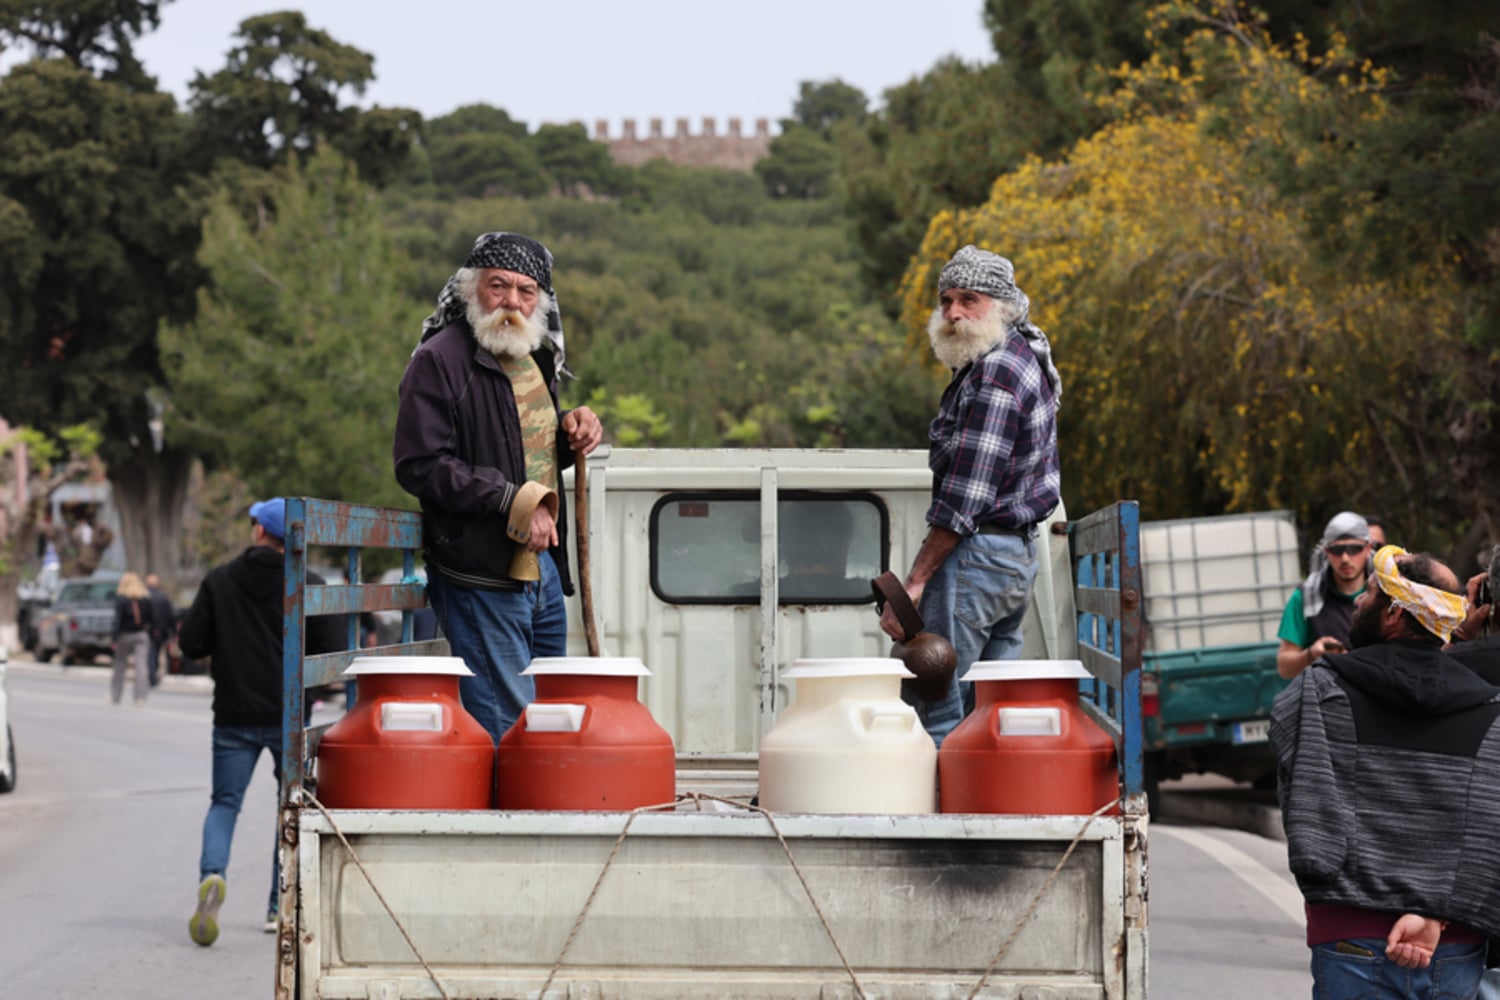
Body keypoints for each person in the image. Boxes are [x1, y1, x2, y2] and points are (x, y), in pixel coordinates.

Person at [394, 231, 604, 743]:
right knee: (508, 727)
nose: (512, 301)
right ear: (470, 290)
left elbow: (526, 452)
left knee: (546, 721)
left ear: (541, 301)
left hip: (543, 576)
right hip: (480, 575)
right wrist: (513, 500)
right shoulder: (440, 360)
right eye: (498, 286)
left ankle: (539, 817)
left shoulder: (533, 358)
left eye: (527, 291)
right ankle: (509, 820)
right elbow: (420, 464)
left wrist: (573, 430)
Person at [1270, 544, 1500, 997]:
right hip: (1451, 942)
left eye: (1371, 592)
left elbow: (1289, 760)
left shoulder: (1319, 692)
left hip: (1350, 931)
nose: (1358, 600)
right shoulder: (1490, 710)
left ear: (1393, 614)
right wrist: (1439, 912)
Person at [878, 244, 1062, 745]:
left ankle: (941, 818)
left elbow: (965, 496)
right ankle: (983, 812)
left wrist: (915, 582)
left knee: (934, 703)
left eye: (969, 300)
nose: (954, 313)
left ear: (1002, 305)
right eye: (946, 300)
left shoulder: (996, 373)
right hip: (1015, 560)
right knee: (989, 709)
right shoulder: (1017, 358)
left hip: (980, 558)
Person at [177, 497, 343, 946]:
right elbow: (332, 650)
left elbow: (191, 644)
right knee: (287, 808)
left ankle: (213, 875)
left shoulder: (219, 581)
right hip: (288, 716)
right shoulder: (307, 583)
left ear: (258, 533)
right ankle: (277, 904)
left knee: (224, 803)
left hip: (232, 713)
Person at [1276, 511, 1373, 678]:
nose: (1345, 558)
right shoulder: (1305, 597)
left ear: (1368, 548)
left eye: (1354, 549)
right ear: (1326, 551)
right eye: (1337, 550)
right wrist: (1312, 654)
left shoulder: (1388, 594)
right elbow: (1284, 667)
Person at [110, 571, 153, 706]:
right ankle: (140, 697)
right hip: (141, 634)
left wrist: (114, 638)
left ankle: (116, 695)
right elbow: (151, 619)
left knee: (120, 665)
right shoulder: (145, 599)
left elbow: (117, 620)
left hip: (125, 634)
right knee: (141, 666)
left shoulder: (122, 599)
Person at [144, 573, 175, 687]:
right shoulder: (163, 597)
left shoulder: (144, 596)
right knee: (155, 653)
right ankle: (153, 674)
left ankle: (151, 676)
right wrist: (172, 632)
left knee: (151, 653)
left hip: (148, 630)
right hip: (161, 631)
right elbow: (170, 615)